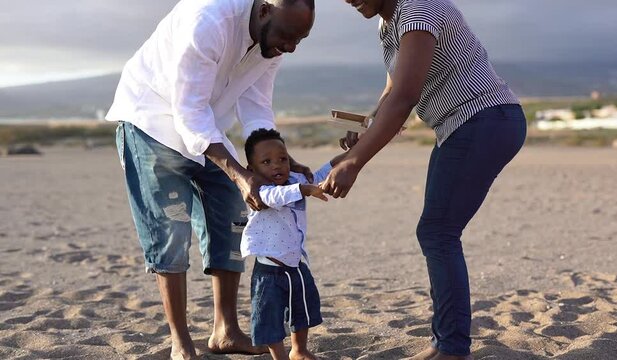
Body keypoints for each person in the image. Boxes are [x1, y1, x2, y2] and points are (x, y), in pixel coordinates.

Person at [105, 0, 315, 358]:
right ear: (264, 10)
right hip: (153, 122)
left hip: (210, 128)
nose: (291, 47)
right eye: (287, 36)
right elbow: (188, 112)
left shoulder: (274, 41)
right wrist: (238, 172)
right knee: (170, 231)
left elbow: (256, 104)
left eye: (300, 39)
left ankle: (225, 331)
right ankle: (180, 341)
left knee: (232, 219)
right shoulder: (209, 21)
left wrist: (275, 156)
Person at [323, 0, 528, 359]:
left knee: (437, 232)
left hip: (483, 119)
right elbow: (391, 92)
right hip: (462, 126)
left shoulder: (418, 8)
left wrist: (356, 162)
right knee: (436, 232)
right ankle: (445, 343)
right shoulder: (389, 24)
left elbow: (406, 96)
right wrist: (365, 130)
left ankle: (451, 347)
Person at [240, 128, 346, 360]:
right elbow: (276, 197)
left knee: (303, 309)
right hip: (269, 269)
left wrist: (347, 156)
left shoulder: (295, 180)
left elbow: (319, 177)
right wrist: (302, 189)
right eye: (266, 162)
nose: (276, 166)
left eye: (282, 159)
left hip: (296, 264)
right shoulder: (258, 190)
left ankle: (299, 350)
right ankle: (279, 356)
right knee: (269, 316)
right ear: (252, 170)